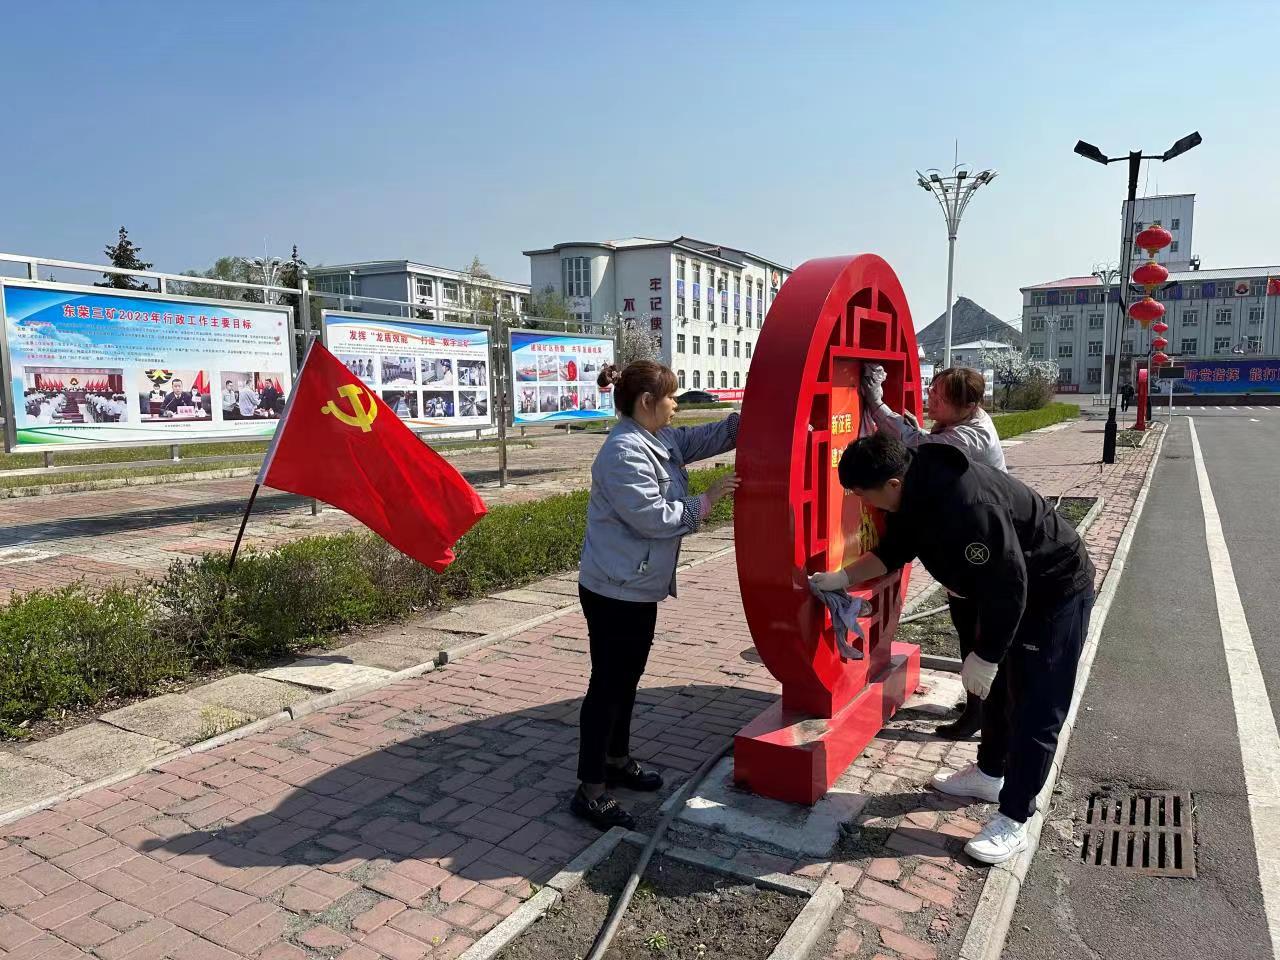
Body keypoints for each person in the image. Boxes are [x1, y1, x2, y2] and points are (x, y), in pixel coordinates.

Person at [810, 432, 1095, 864]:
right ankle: (990, 772)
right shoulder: (910, 488)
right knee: (997, 693)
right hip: (1006, 592)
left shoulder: (968, 506)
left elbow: (1011, 586)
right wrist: (843, 578)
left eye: (864, 494)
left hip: (1053, 591)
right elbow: (894, 551)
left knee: (1036, 706)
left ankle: (1014, 819)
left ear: (892, 483)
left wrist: (988, 654)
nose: (863, 503)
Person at [573, 360, 740, 830]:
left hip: (637, 585)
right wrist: (708, 500)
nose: (675, 405)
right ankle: (590, 790)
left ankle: (616, 760)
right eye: (670, 397)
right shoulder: (623, 453)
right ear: (646, 402)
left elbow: (708, 437)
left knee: (627, 679)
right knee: (608, 686)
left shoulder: (660, 438)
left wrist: (761, 412)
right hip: (614, 591)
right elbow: (652, 518)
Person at [861, 365, 1005, 739]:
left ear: (967, 405)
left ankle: (981, 714)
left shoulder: (968, 438)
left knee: (977, 634)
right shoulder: (965, 423)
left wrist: (876, 404)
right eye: (932, 392)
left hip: (982, 551)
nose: (931, 400)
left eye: (940, 398)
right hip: (972, 546)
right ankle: (979, 704)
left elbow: (918, 446)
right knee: (968, 629)